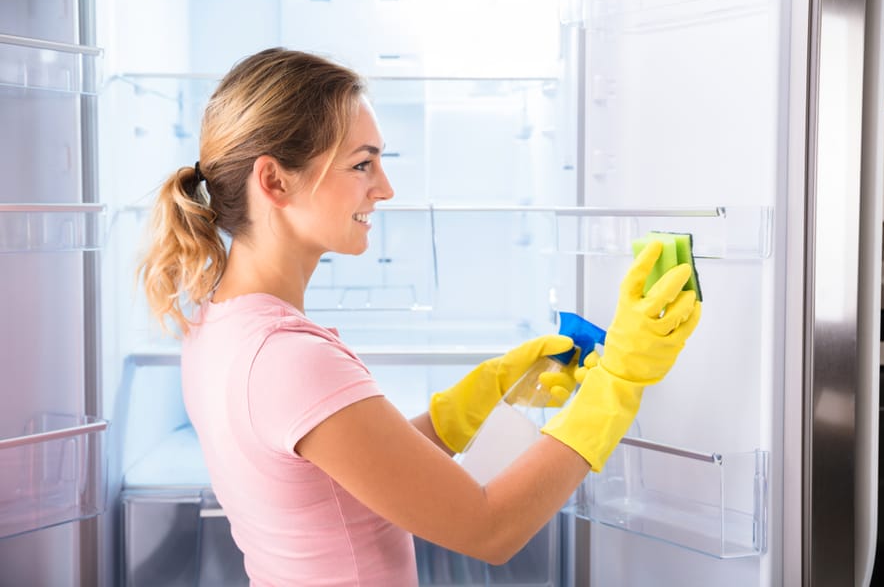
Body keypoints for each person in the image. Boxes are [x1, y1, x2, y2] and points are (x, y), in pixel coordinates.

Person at [138, 47, 701, 586]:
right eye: (362, 164)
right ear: (274, 181)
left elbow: (351, 479)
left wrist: (474, 400)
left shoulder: (220, 323)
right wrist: (620, 382)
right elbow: (490, 528)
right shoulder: (288, 359)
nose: (384, 188)